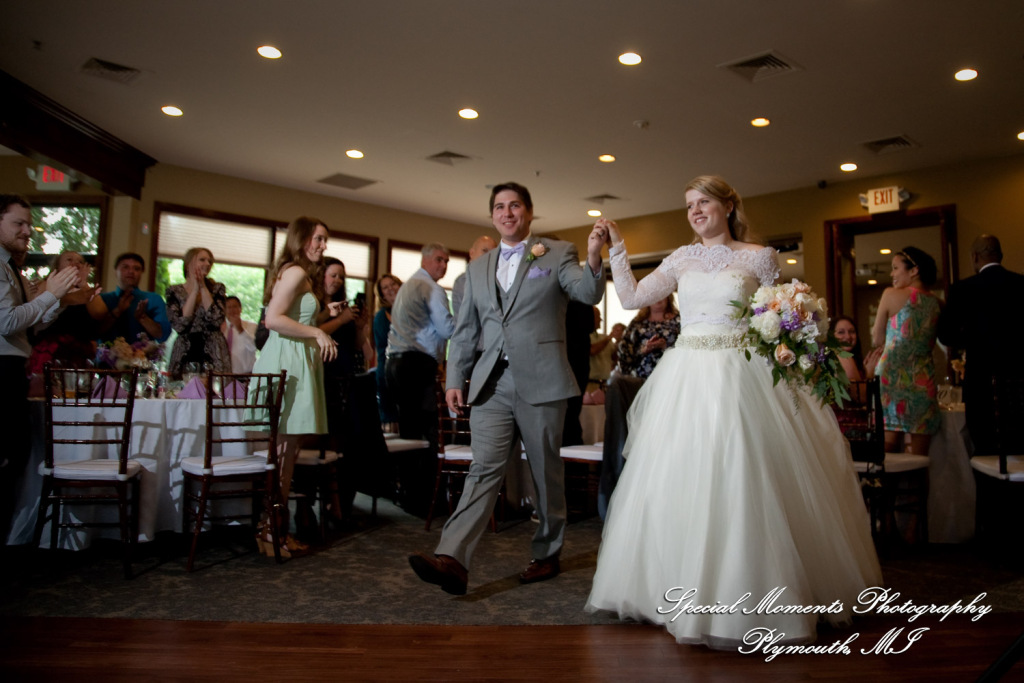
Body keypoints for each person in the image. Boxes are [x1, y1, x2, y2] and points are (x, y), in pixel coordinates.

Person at [585, 175, 880, 648]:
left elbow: (777, 316)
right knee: (682, 476)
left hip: (745, 373)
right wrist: (616, 249)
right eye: (688, 205)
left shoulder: (759, 257)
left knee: (744, 473)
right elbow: (630, 298)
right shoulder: (682, 258)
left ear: (727, 205)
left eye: (703, 202)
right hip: (688, 375)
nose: (695, 211)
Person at [408, 181, 606, 595]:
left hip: (543, 379)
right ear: (492, 215)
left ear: (529, 213)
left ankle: (547, 552)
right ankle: (454, 558)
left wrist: (592, 256)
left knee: (545, 472)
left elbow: (587, 292)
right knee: (484, 468)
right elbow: (463, 331)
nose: (507, 212)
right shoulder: (477, 270)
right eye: (499, 206)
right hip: (490, 384)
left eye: (515, 205)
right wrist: (455, 379)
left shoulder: (556, 253)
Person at [247, 216, 339, 557]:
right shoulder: (296, 272)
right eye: (318, 238)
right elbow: (272, 320)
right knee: (284, 454)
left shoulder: (297, 272)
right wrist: (317, 331)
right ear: (301, 239)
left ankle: (272, 528)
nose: (322, 245)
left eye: (324, 239)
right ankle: (271, 531)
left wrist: (321, 315)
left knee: (287, 454)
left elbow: (293, 318)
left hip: (296, 360)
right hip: (288, 363)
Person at [0, 195, 83, 539]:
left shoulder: (10, 266)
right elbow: (5, 323)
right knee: (4, 459)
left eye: (28, 225)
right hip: (1, 371)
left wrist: (56, 300)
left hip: (11, 368)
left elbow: (27, 328)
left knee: (12, 458)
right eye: (18, 224)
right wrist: (49, 294)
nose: (27, 231)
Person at [937, 234, 1024, 455]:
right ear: (1000, 255)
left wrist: (974, 340)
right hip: (1019, 381)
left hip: (981, 383)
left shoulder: (963, 289)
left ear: (975, 257)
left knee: (984, 449)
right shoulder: (1021, 284)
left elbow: (946, 335)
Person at [597, 296, 680, 518]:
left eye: (663, 296)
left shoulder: (679, 321)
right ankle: (618, 488)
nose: (659, 300)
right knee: (617, 389)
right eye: (655, 296)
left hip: (671, 383)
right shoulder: (637, 323)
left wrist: (666, 347)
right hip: (639, 383)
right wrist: (643, 350)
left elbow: (688, 351)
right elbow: (624, 357)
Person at [871, 247, 942, 455]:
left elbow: (876, 339)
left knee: (887, 456)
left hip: (891, 379)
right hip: (923, 382)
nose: (892, 274)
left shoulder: (890, 295)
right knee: (920, 459)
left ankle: (886, 488)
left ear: (914, 271)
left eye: (895, 268)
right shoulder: (938, 303)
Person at [385, 243, 454, 449]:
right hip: (416, 364)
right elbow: (447, 330)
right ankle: (429, 479)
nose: (443, 265)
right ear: (424, 261)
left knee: (409, 430)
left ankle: (410, 480)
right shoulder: (431, 288)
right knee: (431, 428)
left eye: (447, 261)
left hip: (395, 364)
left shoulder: (407, 285)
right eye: (439, 260)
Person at [165, 247, 230, 379]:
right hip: (185, 350)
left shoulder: (217, 289)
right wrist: (194, 291)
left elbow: (216, 319)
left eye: (209, 261)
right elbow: (179, 325)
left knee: (213, 394)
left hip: (213, 350)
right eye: (202, 260)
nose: (207, 264)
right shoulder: (174, 291)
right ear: (189, 263)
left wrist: (202, 287)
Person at [93, 252, 171, 344]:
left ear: (142, 272)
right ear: (115, 271)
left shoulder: (153, 299)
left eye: (136, 268)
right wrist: (117, 311)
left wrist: (143, 318)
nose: (131, 272)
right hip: (105, 357)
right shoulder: (102, 300)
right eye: (125, 267)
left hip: (142, 357)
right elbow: (93, 333)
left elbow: (163, 336)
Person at [372, 274, 401, 431]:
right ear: (381, 294)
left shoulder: (411, 311)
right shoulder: (380, 317)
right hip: (386, 373)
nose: (391, 289)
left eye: (393, 284)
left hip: (406, 373)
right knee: (390, 422)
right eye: (385, 287)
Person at [451, 235, 497, 320]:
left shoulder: (495, 281)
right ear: (472, 253)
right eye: (485, 251)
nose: (489, 256)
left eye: (493, 253)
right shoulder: (464, 281)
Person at [221, 295, 258, 374]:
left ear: (240, 309)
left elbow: (253, 347)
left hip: (246, 375)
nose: (232, 310)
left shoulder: (252, 326)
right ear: (224, 310)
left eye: (235, 307)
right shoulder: (220, 329)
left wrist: (240, 329)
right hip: (223, 375)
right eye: (229, 307)